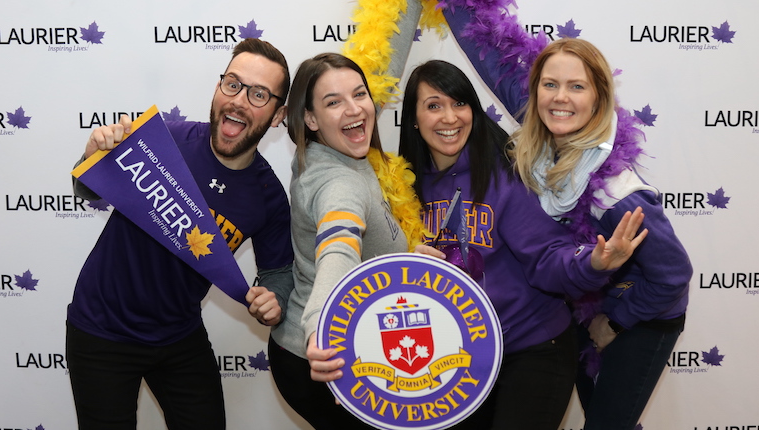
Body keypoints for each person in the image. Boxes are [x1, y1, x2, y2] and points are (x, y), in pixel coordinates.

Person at [443, 4, 693, 429]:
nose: (560, 97)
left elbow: (672, 275)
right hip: (581, 300)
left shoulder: (616, 194)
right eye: (550, 84)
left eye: (576, 86)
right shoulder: (546, 126)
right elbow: (486, 54)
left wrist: (615, 322)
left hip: (643, 314)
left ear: (598, 98)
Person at [398, 59, 648, 430]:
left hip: (531, 348)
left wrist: (593, 264)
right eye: (433, 105)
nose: (449, 117)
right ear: (414, 120)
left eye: (459, 103)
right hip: (457, 359)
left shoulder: (505, 174)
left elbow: (548, 258)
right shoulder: (401, 187)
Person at [66, 38, 294, 429]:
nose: (239, 100)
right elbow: (87, 190)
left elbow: (277, 274)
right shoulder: (164, 139)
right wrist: (92, 155)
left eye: (259, 94)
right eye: (233, 84)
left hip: (179, 337)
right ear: (218, 88)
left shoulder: (269, 197)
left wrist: (275, 301)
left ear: (277, 115)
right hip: (101, 330)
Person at [267, 52, 411, 430]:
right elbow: (339, 247)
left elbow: (385, 67)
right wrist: (321, 328)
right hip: (318, 356)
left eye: (360, 94)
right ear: (310, 119)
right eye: (333, 102)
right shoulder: (337, 183)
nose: (355, 109)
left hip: (323, 348)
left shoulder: (339, 141)